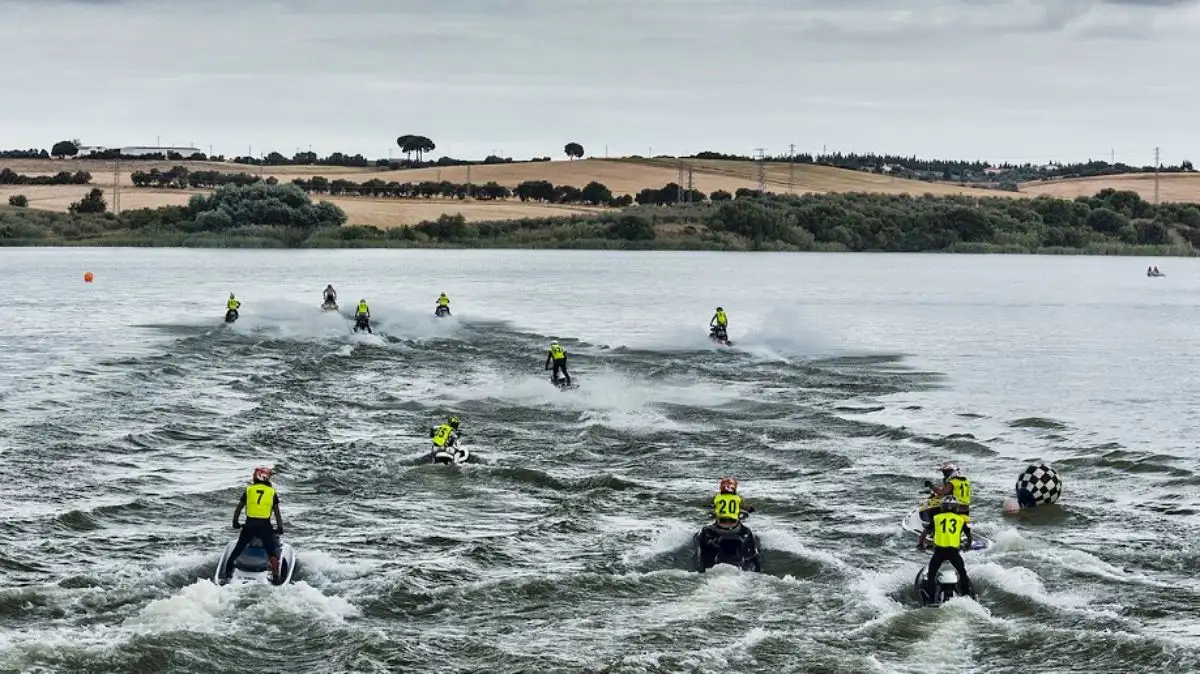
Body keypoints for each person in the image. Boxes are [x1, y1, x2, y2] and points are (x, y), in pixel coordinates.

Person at [226, 466, 284, 583]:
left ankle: (227, 573)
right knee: (271, 551)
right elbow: (277, 513)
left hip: (249, 525)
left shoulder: (249, 490)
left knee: (238, 549)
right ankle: (276, 576)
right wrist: (280, 527)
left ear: (256, 477)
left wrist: (235, 522)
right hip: (265, 526)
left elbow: (238, 509)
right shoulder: (271, 492)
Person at [917, 494, 974, 600]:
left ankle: (931, 598)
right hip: (953, 552)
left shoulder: (937, 518)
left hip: (939, 552)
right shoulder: (960, 520)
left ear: (942, 507)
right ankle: (967, 595)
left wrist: (920, 544)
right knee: (962, 572)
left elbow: (924, 533)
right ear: (956, 507)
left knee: (931, 574)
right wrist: (968, 545)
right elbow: (969, 536)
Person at [698, 477, 760, 571]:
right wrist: (751, 509)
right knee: (748, 532)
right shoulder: (737, 498)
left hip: (719, 527)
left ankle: (704, 559)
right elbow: (747, 508)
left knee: (705, 531)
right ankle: (752, 559)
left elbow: (706, 504)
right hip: (735, 527)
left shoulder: (717, 497)